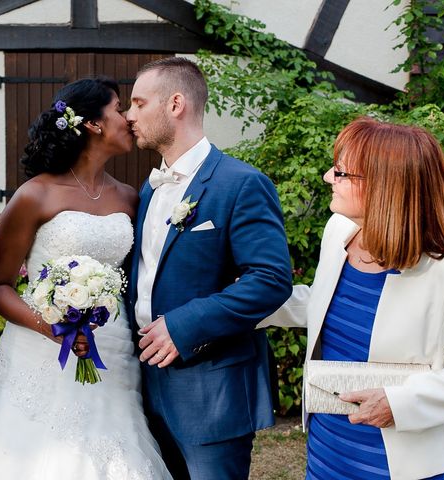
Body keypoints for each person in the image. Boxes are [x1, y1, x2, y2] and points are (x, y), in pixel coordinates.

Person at [0, 78, 172, 480]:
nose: (128, 118)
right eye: (117, 109)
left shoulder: (130, 197)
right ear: (92, 124)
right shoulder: (34, 196)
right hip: (40, 351)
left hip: (113, 349)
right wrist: (55, 328)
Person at [260, 117, 444, 479]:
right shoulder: (339, 231)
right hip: (327, 446)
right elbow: (323, 303)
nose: (326, 178)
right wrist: (246, 302)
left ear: (385, 186)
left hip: (399, 462)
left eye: (340, 172)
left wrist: (398, 404)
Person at [125, 57, 293, 479]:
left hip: (211, 391)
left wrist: (183, 326)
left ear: (175, 104)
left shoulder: (241, 183)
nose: (129, 115)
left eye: (139, 103)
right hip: (143, 384)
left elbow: (271, 279)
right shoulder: (149, 187)